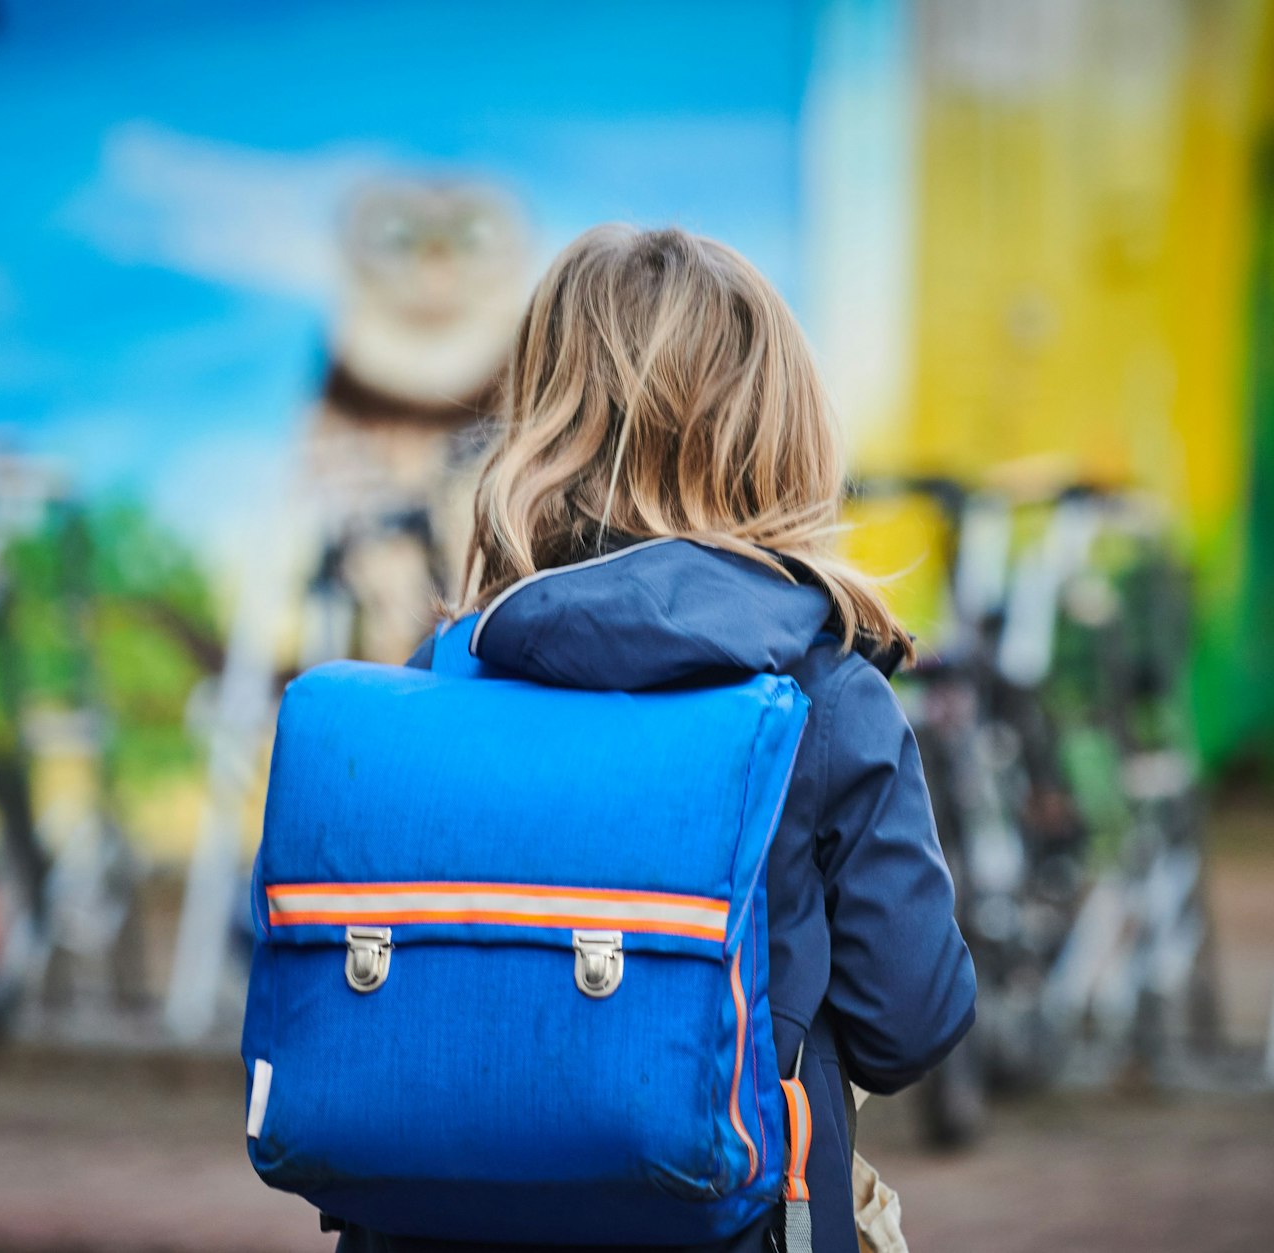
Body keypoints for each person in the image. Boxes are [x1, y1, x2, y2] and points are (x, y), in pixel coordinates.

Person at [343, 224, 975, 1253]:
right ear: (779, 437)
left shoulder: (439, 678)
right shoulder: (825, 695)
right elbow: (909, 1016)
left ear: (539, 421)